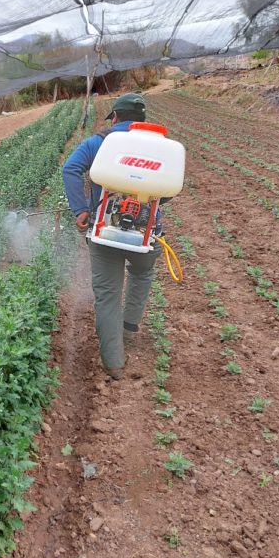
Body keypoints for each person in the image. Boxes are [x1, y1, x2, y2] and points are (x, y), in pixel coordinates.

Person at [62, 92, 167, 381]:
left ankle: (114, 362)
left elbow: (70, 168)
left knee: (107, 295)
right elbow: (168, 191)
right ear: (143, 120)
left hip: (105, 232)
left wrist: (81, 210)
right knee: (141, 274)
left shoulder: (100, 141)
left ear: (116, 117)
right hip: (146, 234)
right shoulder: (160, 147)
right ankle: (129, 329)